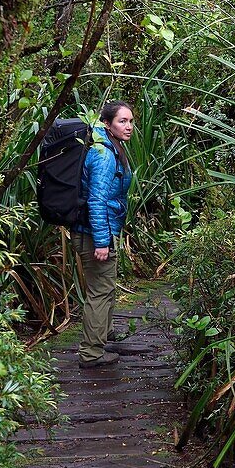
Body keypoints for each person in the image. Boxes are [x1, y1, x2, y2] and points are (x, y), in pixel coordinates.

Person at [71, 101, 134, 367]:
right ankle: (91, 354)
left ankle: (103, 335)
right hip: (94, 233)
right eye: (122, 121)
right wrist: (102, 242)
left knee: (105, 288)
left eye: (131, 121)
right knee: (100, 291)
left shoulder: (110, 147)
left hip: (103, 229)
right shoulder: (104, 155)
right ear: (107, 123)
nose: (128, 127)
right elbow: (97, 200)